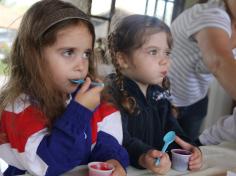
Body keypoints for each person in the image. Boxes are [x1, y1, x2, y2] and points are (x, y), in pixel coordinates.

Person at [0, 0, 128, 175]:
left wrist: (111, 159)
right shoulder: (18, 108)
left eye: (86, 54)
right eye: (68, 52)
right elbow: (48, 165)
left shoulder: (85, 97)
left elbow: (103, 139)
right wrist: (80, 112)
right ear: (34, 56)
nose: (81, 66)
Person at [105, 14, 202, 175]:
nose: (164, 60)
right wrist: (144, 155)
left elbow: (172, 131)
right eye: (153, 52)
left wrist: (189, 148)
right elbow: (118, 140)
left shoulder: (158, 93)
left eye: (167, 53)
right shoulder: (111, 92)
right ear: (122, 59)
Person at [168, 0, 236, 141]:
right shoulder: (210, 13)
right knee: (154, 154)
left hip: (196, 101)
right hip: (164, 102)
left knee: (186, 156)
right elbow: (218, 62)